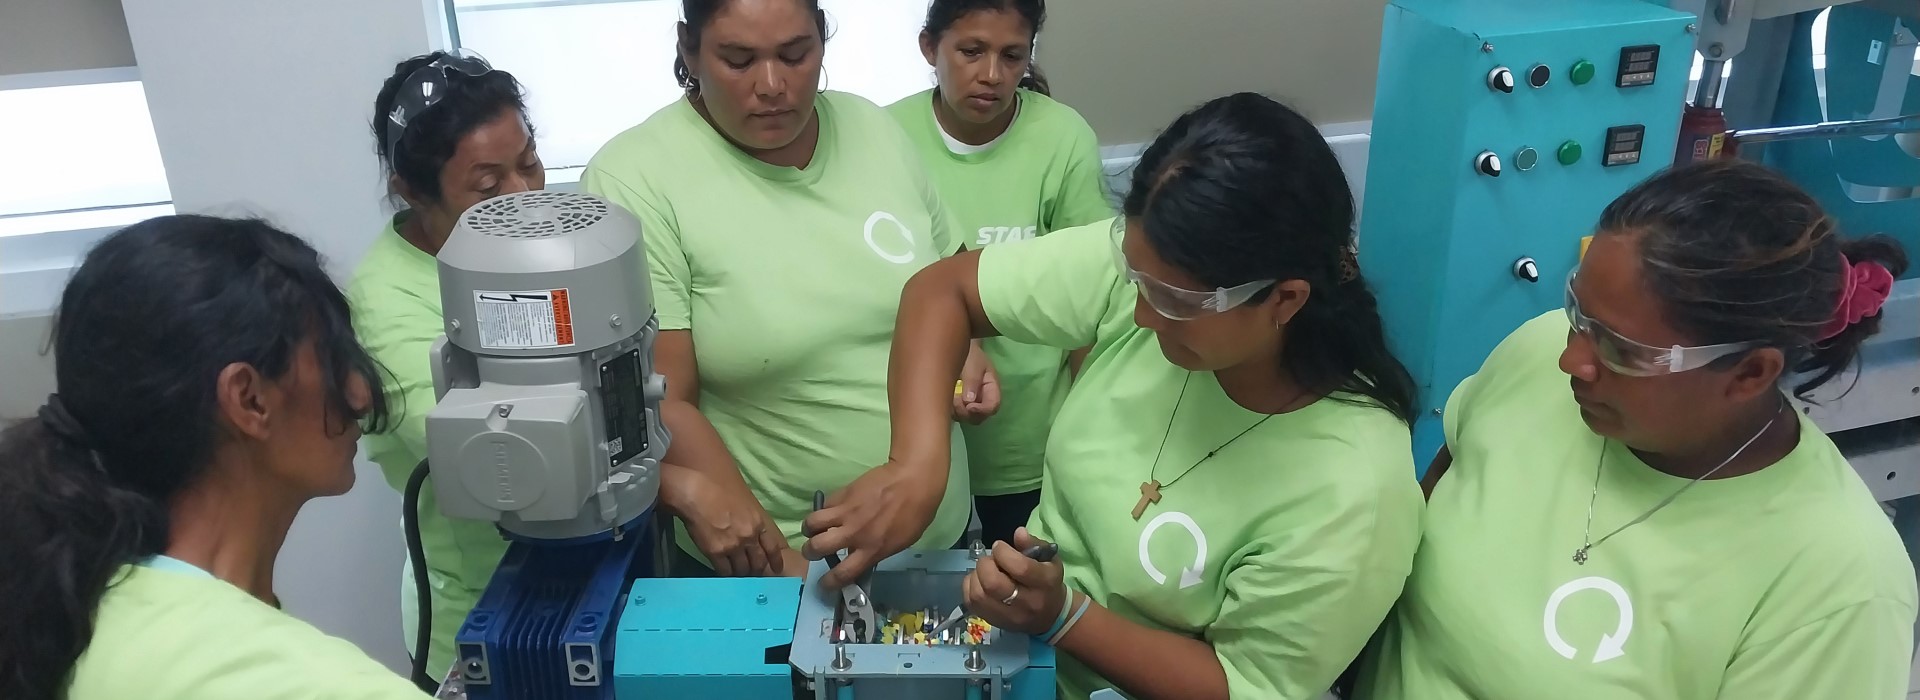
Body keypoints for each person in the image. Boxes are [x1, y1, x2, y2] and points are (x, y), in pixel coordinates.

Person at [858, 92, 1426, 699]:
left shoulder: (1353, 490)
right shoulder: (1156, 264)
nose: (1141, 316)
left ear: (1285, 299)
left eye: (1178, 303)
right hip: (1023, 659)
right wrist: (918, 465)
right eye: (1134, 279)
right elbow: (943, 291)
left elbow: (1249, 685)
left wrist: (1065, 617)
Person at [1358, 159, 1916, 698]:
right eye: (1578, 311)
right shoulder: (1535, 358)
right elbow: (1419, 521)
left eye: (1622, 349)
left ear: (1749, 371)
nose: (1571, 359)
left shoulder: (1838, 584)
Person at [581, 0, 980, 588]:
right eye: (738, 60)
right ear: (689, 49)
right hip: (788, 563)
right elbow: (662, 401)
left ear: (822, 39)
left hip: (940, 539)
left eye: (796, 55)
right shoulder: (635, 179)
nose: (772, 85)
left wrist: (966, 351)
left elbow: (950, 281)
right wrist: (787, 575)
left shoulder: (871, 127)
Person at [0, 215, 426, 700]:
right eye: (332, 359)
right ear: (249, 400)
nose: (359, 394)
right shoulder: (312, 684)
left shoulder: (74, 609)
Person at [347, 51, 547, 679]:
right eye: (488, 187)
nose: (522, 196)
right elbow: (498, 458)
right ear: (412, 191)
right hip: (483, 614)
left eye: (530, 164)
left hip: (592, 578)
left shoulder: (545, 246)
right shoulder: (385, 309)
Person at [888, 0, 1114, 545]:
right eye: (971, 51)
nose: (992, 75)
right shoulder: (887, 136)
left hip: (1030, 444)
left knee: (1016, 602)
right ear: (929, 48)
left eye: (1012, 56)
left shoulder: (1062, 138)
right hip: (913, 435)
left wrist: (1089, 439)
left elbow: (1095, 298)